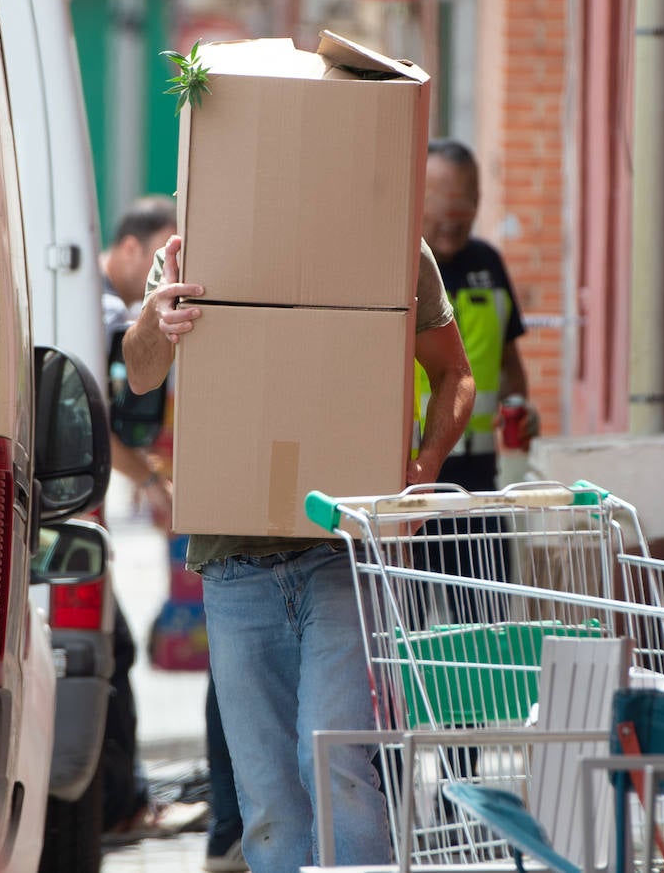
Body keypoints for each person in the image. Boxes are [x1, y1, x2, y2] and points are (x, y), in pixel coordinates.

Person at [122, 233, 474, 871]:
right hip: (233, 561)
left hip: (342, 551)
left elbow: (455, 371)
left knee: (335, 760)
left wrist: (425, 468)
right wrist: (157, 319)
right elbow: (141, 373)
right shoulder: (199, 234)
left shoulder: (388, 234)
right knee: (268, 799)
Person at [100, 196, 246, 872]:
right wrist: (153, 480)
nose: (167, 274)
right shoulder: (105, 309)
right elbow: (125, 390)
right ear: (133, 250)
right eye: (159, 259)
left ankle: (143, 806)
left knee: (123, 651)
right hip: (95, 515)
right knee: (118, 652)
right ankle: (136, 806)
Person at [419, 138, 539, 623]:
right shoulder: (397, 265)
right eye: (441, 204)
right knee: (400, 632)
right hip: (406, 482)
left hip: (477, 488)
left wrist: (519, 405)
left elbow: (511, 362)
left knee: (486, 631)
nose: (453, 217)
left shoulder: (488, 264)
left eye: (465, 205)